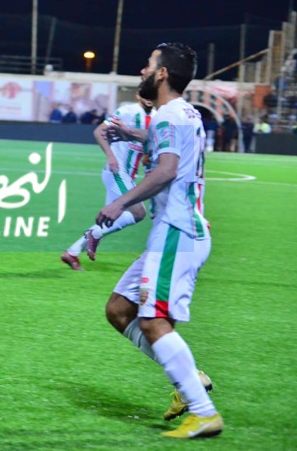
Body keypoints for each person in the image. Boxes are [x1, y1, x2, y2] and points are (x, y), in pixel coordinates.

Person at [97, 42, 222, 439]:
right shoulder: (185, 112)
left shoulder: (168, 114)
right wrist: (131, 132)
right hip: (173, 232)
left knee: (152, 320)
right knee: (119, 310)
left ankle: (203, 412)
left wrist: (120, 202)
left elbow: (166, 170)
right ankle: (191, 380)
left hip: (177, 231)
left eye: (149, 64)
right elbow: (168, 145)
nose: (143, 71)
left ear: (163, 73)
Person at [61, 94, 153, 271]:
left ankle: (72, 253)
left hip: (129, 175)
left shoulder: (156, 116)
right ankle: (93, 235)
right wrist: (111, 156)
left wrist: (148, 157)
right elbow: (99, 132)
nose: (149, 97)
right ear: (138, 95)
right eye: (145, 93)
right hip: (117, 171)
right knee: (138, 212)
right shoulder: (127, 111)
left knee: (109, 219)